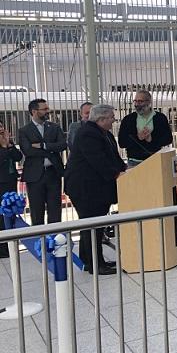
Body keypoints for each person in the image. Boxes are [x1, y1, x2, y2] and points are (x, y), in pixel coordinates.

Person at [64, 105, 126, 275]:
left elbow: (113, 157)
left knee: (91, 225)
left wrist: (125, 169)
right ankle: (96, 264)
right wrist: (116, 174)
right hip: (85, 188)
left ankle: (87, 260)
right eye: (111, 117)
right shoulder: (88, 134)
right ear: (101, 119)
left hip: (95, 188)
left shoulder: (104, 133)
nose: (114, 120)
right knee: (93, 226)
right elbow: (98, 161)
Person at [18, 98, 67, 226]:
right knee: (36, 210)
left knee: (55, 210)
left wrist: (43, 146)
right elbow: (28, 151)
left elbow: (62, 145)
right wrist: (51, 149)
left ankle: (55, 236)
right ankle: (39, 238)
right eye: (44, 109)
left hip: (53, 173)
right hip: (34, 176)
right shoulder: (24, 130)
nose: (48, 111)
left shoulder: (54, 127)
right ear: (34, 111)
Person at [118, 90, 174, 167]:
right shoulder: (128, 119)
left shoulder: (160, 118)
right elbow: (122, 143)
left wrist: (151, 139)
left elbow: (168, 139)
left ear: (149, 102)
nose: (137, 104)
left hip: (155, 160)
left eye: (140, 101)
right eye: (135, 101)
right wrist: (138, 137)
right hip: (134, 162)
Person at [0, 120, 22, 258]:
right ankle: (2, 248)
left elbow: (18, 157)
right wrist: (4, 147)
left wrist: (9, 145)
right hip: (1, 183)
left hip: (10, 181)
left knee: (11, 212)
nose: (1, 130)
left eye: (1, 126)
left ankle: (11, 246)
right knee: (1, 215)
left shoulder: (7, 143)